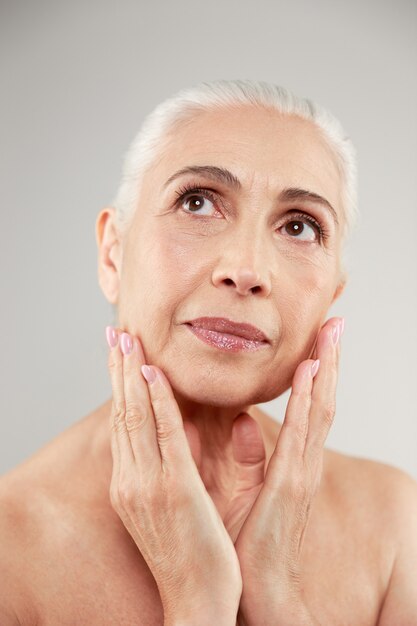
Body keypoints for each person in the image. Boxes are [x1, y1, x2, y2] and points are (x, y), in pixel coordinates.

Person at [1, 79, 416, 626]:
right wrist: (197, 600)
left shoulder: (396, 526)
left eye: (299, 226)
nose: (245, 269)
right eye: (197, 202)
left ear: (331, 297)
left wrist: (276, 591)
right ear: (112, 254)